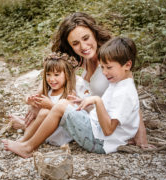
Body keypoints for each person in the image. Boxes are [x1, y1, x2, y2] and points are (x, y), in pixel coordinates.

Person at [10, 12, 150, 148]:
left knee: (61, 104)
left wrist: (141, 135)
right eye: (75, 43)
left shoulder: (110, 60)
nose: (83, 46)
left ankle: (29, 129)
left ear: (94, 33)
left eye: (86, 38)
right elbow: (54, 73)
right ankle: (34, 123)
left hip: (102, 123)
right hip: (91, 115)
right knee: (60, 82)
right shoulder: (82, 60)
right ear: (70, 46)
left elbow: (131, 95)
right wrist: (35, 103)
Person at [3, 37, 141, 158]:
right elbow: (109, 111)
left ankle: (27, 148)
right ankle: (25, 142)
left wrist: (97, 101)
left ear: (127, 65)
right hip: (95, 130)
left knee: (62, 105)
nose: (104, 72)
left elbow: (108, 130)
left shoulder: (125, 92)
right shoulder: (119, 83)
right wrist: (84, 102)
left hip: (99, 141)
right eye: (102, 67)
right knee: (63, 105)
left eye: (109, 67)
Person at [17, 52, 78, 146]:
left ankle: (23, 140)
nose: (51, 79)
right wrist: (29, 100)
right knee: (37, 110)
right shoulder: (49, 91)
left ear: (67, 75)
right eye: (48, 75)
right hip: (45, 132)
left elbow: (69, 115)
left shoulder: (70, 93)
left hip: (60, 135)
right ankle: (27, 136)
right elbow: (32, 98)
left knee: (44, 112)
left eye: (56, 75)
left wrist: (50, 106)